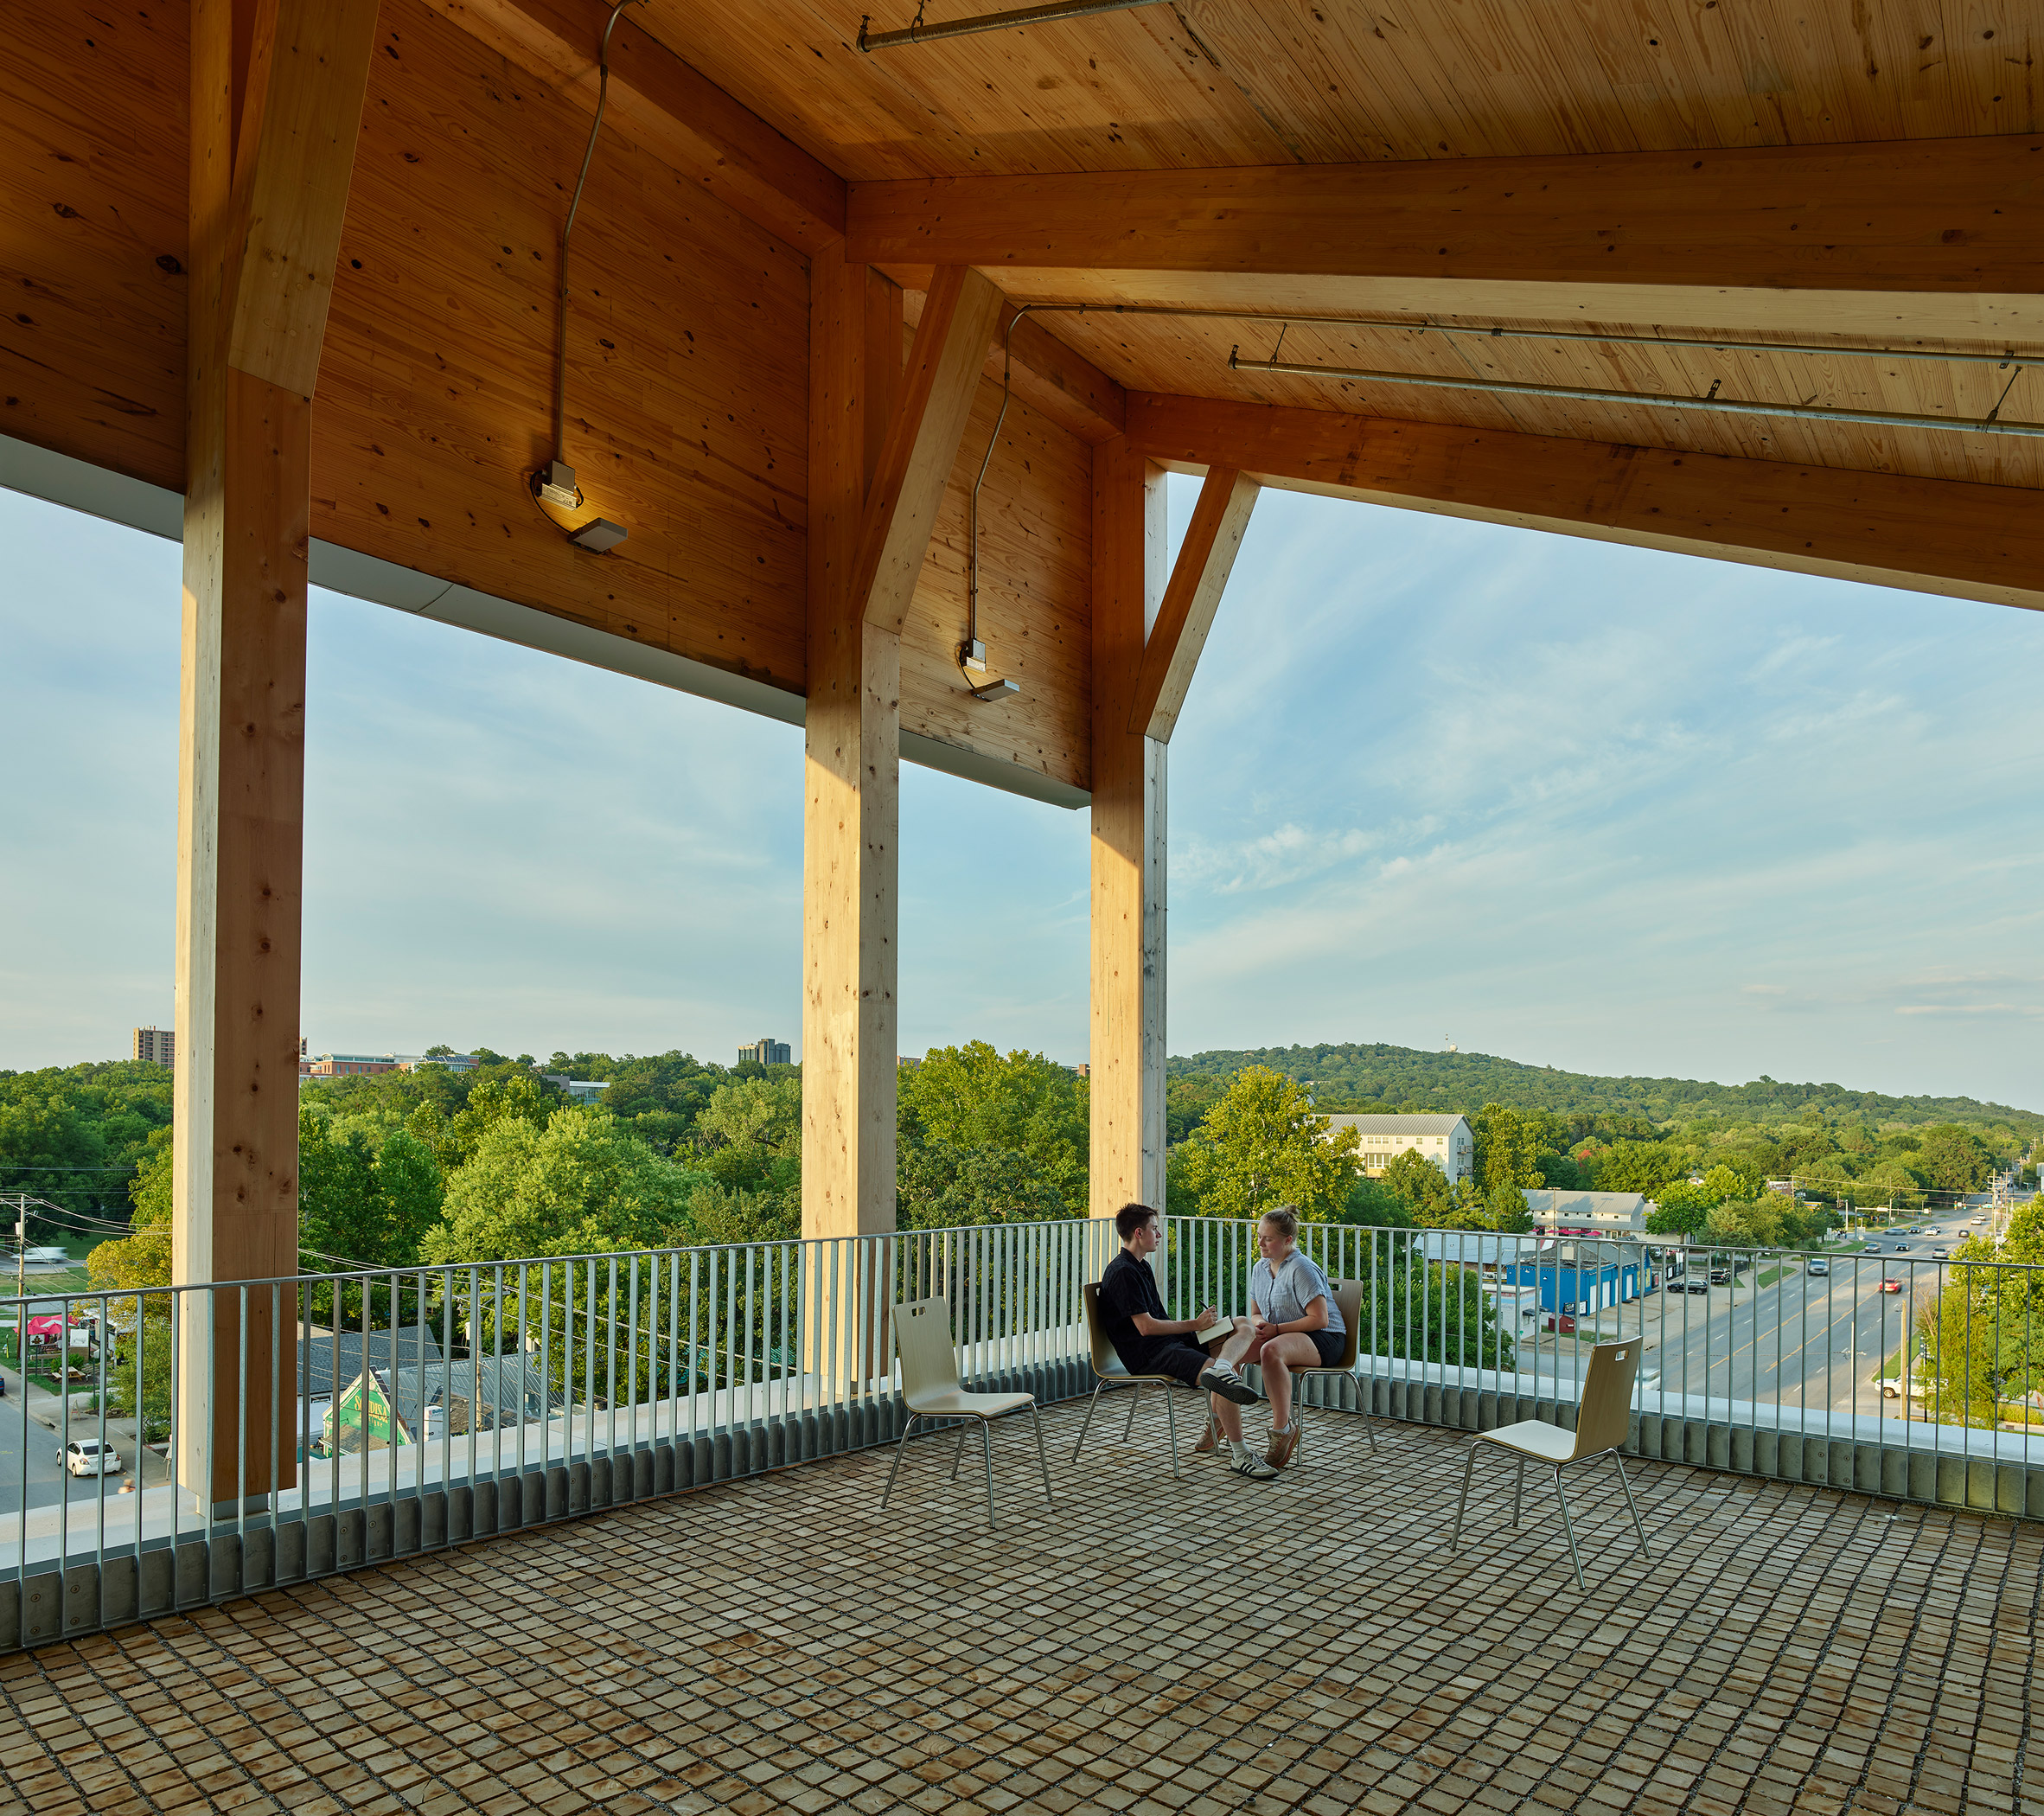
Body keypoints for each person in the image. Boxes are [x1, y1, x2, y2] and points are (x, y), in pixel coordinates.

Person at [1096, 1203, 1278, 1480]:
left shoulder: (1140, 1266)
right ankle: (1241, 1455)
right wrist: (1195, 1324)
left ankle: (1222, 1369)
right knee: (1222, 1381)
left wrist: (1199, 1328)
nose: (1159, 1234)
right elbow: (1145, 1328)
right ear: (1139, 1233)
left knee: (1242, 1324)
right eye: (1154, 1229)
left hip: (1169, 1342)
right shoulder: (1123, 1272)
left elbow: (1156, 1321)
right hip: (1150, 1354)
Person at [1240, 1206, 1346, 1470]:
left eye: (1268, 1239)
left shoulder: (1302, 1268)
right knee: (1229, 1348)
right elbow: (1255, 1313)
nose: (1260, 1243)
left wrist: (1275, 1330)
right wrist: (1260, 1325)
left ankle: (1283, 1430)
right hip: (1283, 1334)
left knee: (1270, 1351)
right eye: (1259, 1236)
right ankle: (1220, 1420)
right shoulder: (1259, 1268)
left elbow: (1319, 1319)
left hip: (1325, 1338)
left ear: (1288, 1240)